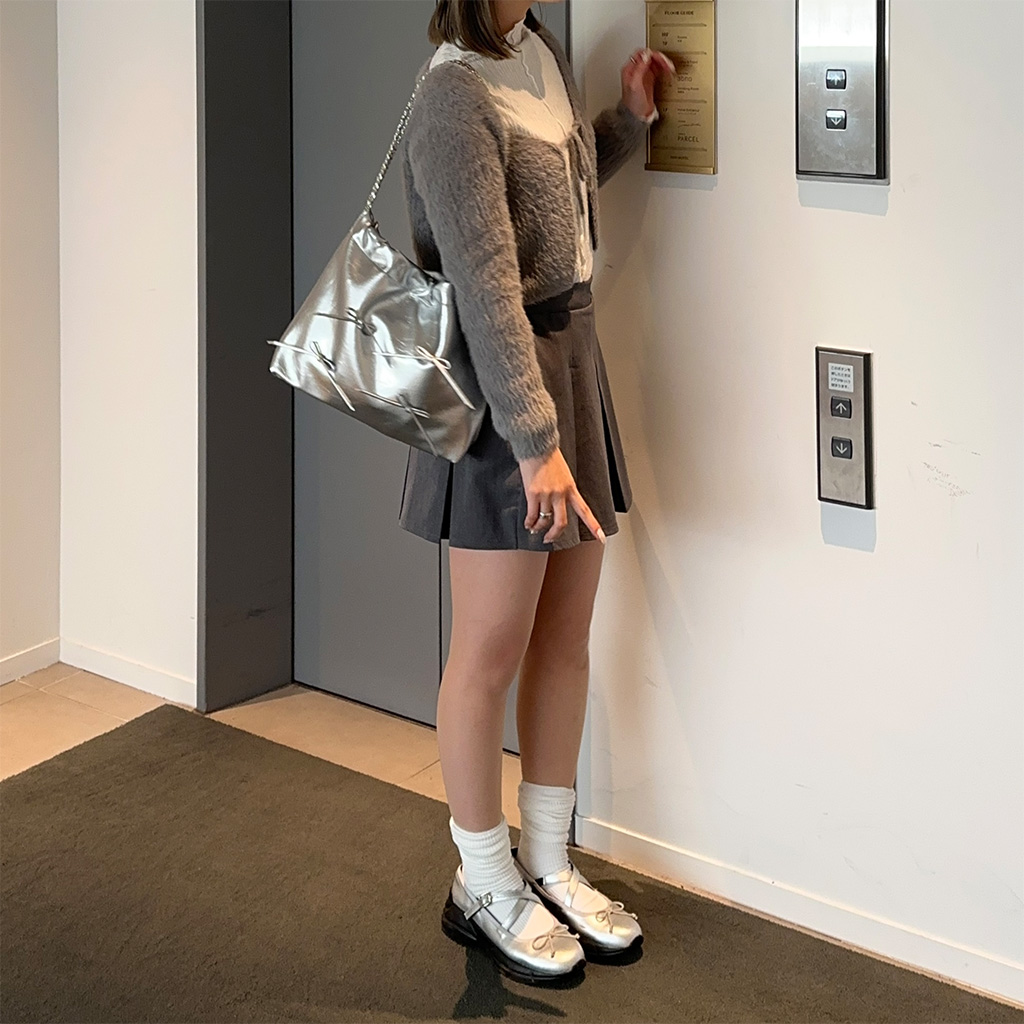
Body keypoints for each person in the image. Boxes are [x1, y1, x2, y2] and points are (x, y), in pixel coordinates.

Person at [397, 0, 675, 985]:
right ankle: (481, 880)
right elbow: (484, 284)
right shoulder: (450, 95)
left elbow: (557, 197)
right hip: (501, 395)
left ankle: (548, 862)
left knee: (565, 639)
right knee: (488, 652)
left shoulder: (537, 48)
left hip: (571, 363)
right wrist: (535, 441)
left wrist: (628, 123)